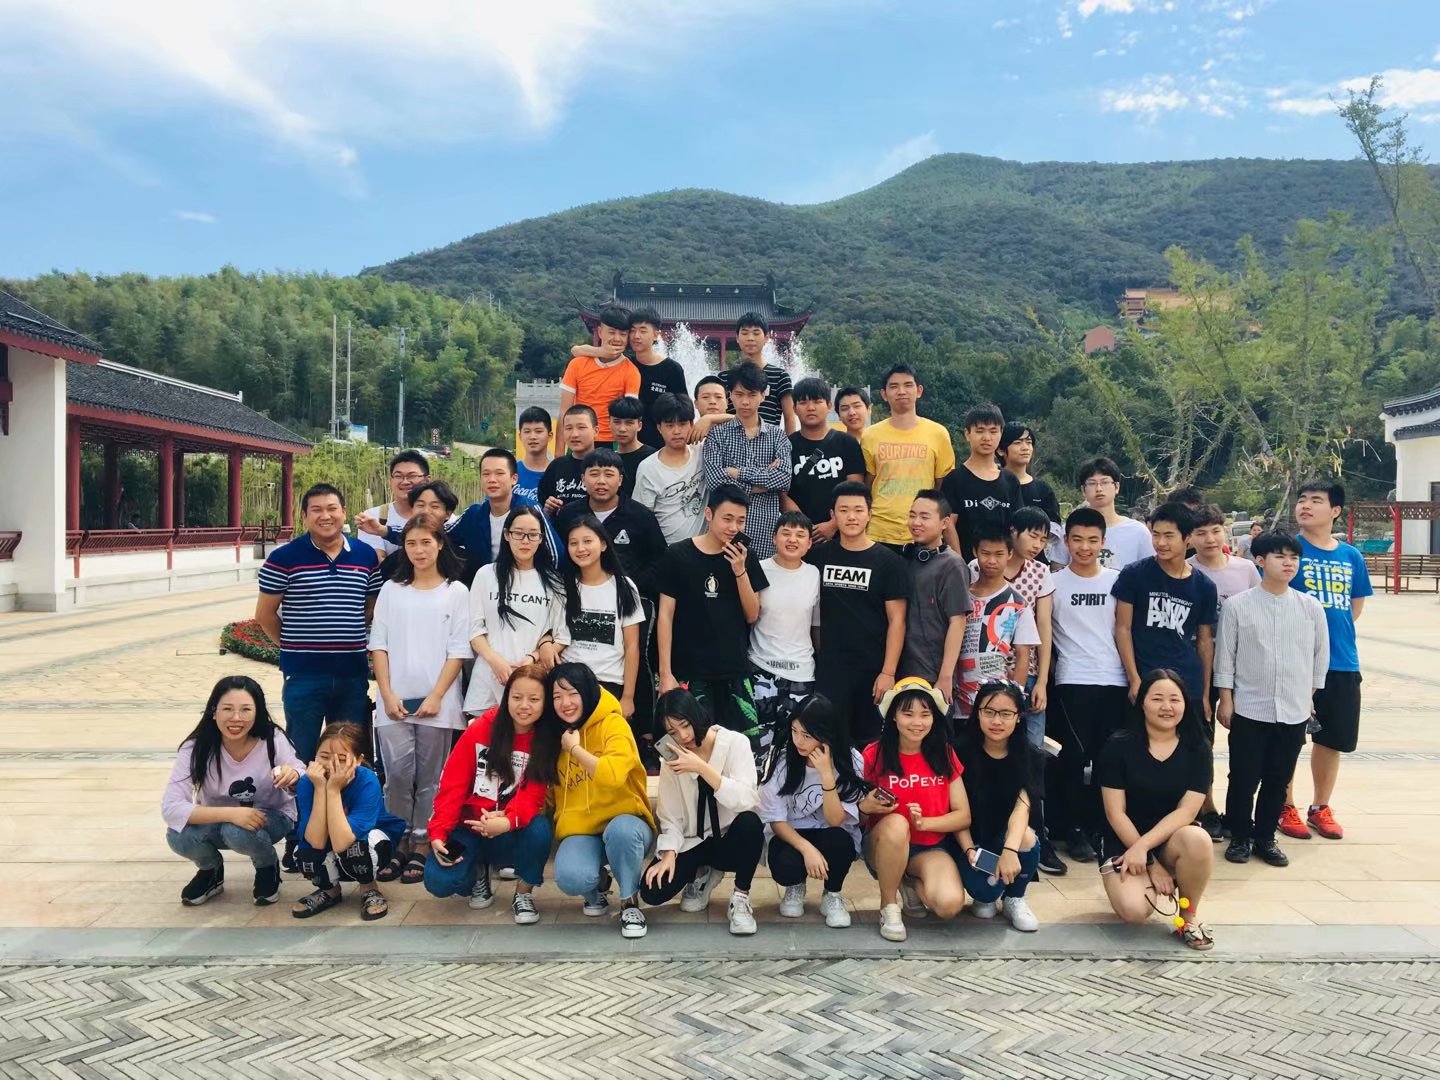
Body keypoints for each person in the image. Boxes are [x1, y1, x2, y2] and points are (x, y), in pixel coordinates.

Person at [1215, 530, 1329, 868]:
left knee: (1279, 779)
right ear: (1261, 561)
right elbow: (1225, 658)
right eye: (1280, 556)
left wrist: (1308, 696)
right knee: (1243, 777)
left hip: (1293, 710)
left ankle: (1265, 837)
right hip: (1250, 708)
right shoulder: (1238, 606)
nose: (1288, 563)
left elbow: (1319, 657)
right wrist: (1226, 699)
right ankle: (1240, 836)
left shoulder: (1310, 607)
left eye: (1293, 557)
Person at [368, 516, 472, 885]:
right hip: (394, 701)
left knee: (431, 778)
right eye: (411, 543)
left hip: (438, 702)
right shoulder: (392, 590)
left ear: (440, 544)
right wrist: (386, 693)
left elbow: (458, 650)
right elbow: (378, 643)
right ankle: (399, 839)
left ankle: (424, 841)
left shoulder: (456, 592)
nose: (419, 550)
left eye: (426, 542)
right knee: (397, 775)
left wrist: (437, 695)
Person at [255, 483, 380, 764]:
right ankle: (302, 795)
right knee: (301, 753)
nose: (325, 516)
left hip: (352, 674)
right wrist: (293, 647)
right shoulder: (284, 558)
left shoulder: (365, 555)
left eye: (332, 508)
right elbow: (265, 615)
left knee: (349, 753)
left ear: (343, 511)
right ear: (304, 516)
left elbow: (371, 606)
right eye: (316, 510)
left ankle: (344, 796)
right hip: (304, 676)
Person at [1280, 479, 1373, 842]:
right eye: (1302, 499)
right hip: (1293, 661)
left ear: (1335, 511)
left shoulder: (1351, 556)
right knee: (1288, 736)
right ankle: (1284, 804)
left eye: (1316, 500)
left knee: (1332, 739)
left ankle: (1320, 806)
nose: (1305, 505)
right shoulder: (1288, 550)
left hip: (1342, 661)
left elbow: (1354, 607)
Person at [425, 665, 556, 923]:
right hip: (469, 827)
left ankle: (523, 893)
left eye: (534, 699)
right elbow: (452, 784)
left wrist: (507, 820)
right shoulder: (481, 728)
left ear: (545, 702)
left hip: (509, 829)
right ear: (506, 697)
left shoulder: (546, 738)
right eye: (516, 697)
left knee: (540, 830)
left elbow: (533, 795)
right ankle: (477, 872)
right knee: (438, 881)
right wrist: (439, 831)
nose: (524, 706)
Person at [1097, 670, 1215, 951]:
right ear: (1142, 703)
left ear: (1185, 703)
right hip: (1124, 839)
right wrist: (1150, 862)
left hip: (1172, 839)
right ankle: (1144, 877)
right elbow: (1115, 813)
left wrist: (1147, 850)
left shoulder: (1198, 747)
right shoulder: (1118, 745)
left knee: (1198, 839)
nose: (1166, 707)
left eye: (1175, 699)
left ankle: (1188, 918)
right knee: (1134, 911)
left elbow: (1187, 812)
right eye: (1157, 698)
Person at [161, 676, 302, 907]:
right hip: (220, 821)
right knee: (178, 835)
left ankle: (267, 866)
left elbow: (301, 772)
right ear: (213, 711)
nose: (236, 718)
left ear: (257, 712)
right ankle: (210, 871)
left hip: (271, 818)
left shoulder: (272, 738)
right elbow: (171, 807)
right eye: (227, 709)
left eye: (246, 709)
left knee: (237, 832)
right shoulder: (196, 747)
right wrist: (232, 814)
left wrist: (293, 775)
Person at [542, 663, 657, 938]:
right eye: (557, 696)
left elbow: (613, 776)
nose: (565, 703)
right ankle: (598, 886)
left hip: (626, 823)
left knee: (622, 832)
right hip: (582, 829)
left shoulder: (613, 723)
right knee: (571, 877)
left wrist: (575, 750)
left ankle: (629, 901)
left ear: (587, 691)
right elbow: (548, 793)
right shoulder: (553, 732)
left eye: (572, 693)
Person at [640, 690, 764, 934]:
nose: (683, 736)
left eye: (685, 725)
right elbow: (670, 815)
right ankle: (702, 874)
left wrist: (702, 769)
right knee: (651, 891)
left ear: (696, 716)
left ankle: (740, 897)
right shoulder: (672, 758)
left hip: (728, 838)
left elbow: (747, 799)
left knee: (750, 824)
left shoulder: (735, 743)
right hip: (693, 841)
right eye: (673, 732)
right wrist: (669, 854)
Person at [656, 486, 769, 755]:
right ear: (709, 514)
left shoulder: (745, 556)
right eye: (727, 519)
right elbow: (665, 616)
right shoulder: (678, 554)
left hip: (734, 670)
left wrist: (740, 570)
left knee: (739, 754)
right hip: (689, 672)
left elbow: (752, 614)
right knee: (686, 753)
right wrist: (666, 674)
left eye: (740, 520)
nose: (734, 527)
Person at [1046, 508, 1131, 868]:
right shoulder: (1053, 583)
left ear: (1103, 542)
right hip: (1073, 681)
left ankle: (1102, 828)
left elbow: (1124, 630)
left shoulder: (1118, 581)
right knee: (1074, 758)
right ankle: (1074, 829)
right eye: (1077, 539)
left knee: (1108, 760)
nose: (1084, 547)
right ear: (1066, 541)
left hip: (1115, 680)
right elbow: (1045, 637)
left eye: (1092, 540)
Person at [860, 678, 972, 942]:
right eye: (908, 714)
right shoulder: (873, 754)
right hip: (883, 843)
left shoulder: (944, 754)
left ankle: (907, 881)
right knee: (897, 824)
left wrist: (925, 823)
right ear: (894, 716)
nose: (917, 722)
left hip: (929, 847)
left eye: (925, 714)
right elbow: (854, 818)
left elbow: (963, 815)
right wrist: (865, 807)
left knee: (949, 905)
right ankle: (888, 905)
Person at [807, 481, 908, 746]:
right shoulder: (818, 557)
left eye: (858, 510)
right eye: (844, 510)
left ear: (869, 514)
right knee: (829, 741)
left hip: (872, 670)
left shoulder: (889, 562)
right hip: (830, 669)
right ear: (833, 515)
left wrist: (888, 672)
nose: (851, 517)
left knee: (870, 744)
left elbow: (897, 620)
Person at [760, 695, 866, 928]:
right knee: (785, 864)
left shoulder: (852, 760)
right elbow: (776, 820)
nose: (798, 740)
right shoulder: (781, 760)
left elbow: (836, 820)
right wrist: (807, 849)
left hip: (830, 831)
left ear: (827, 734)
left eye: (807, 735)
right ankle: (795, 885)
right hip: (792, 832)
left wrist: (826, 774)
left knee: (840, 843)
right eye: (795, 731)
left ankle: (832, 893)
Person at [292, 723, 407, 921]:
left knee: (356, 848)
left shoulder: (367, 780)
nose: (331, 765)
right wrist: (320, 788)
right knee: (305, 852)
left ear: (358, 760)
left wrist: (333, 790)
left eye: (342, 759)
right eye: (324, 756)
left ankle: (369, 887)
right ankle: (329, 890)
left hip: (364, 841)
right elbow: (316, 841)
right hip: (329, 839)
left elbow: (342, 842)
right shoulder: (308, 782)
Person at [954, 681, 1043, 931]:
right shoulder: (959, 751)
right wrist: (969, 848)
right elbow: (954, 809)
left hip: (1006, 839)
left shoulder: (1030, 755)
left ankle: (1015, 897)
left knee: (1027, 837)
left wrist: (1010, 850)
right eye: (989, 712)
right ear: (977, 713)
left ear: (1018, 717)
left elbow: (1022, 808)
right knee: (984, 895)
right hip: (968, 842)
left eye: (1006, 714)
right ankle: (990, 893)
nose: (997, 721)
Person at [464, 504, 565, 715]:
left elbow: (561, 636)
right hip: (487, 679)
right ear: (506, 535)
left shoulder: (554, 582)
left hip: (532, 681)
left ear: (541, 538)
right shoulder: (486, 575)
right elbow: (474, 630)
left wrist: (532, 659)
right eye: (518, 533)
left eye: (533, 535)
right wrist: (495, 661)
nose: (525, 541)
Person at [552, 513, 644, 722]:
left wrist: (628, 697)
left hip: (609, 683)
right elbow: (554, 633)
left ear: (603, 544)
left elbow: (632, 647)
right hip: (569, 684)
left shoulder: (624, 587)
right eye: (573, 543)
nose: (580, 548)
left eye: (587, 541)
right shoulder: (562, 587)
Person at [748, 511, 822, 762]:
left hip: (801, 672)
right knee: (758, 747)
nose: (792, 540)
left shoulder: (814, 574)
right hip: (761, 668)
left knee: (795, 747)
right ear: (773, 538)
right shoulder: (758, 569)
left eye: (800, 535)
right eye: (786, 533)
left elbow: (816, 626)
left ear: (809, 543)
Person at [702, 362, 791, 559]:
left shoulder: (777, 436)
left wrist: (737, 473)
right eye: (739, 394)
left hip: (765, 530)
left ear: (763, 395)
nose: (745, 402)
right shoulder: (717, 435)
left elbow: (784, 479)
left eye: (752, 395)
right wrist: (763, 484)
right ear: (730, 395)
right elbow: (716, 482)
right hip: (726, 532)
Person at [860, 364, 956, 550]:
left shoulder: (938, 433)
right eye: (894, 386)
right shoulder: (870, 435)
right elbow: (868, 484)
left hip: (922, 533)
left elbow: (942, 486)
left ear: (919, 391)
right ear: (884, 394)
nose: (901, 391)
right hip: (879, 532)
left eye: (908, 385)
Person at [555, 448, 667, 601]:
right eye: (594, 474)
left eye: (609, 475)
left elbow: (659, 560)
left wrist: (630, 585)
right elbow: (559, 556)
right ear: (583, 479)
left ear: (620, 480)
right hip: (578, 596)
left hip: (628, 598)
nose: (601, 481)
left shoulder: (640, 516)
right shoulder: (568, 514)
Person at [955, 521, 1040, 719]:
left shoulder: (1018, 603)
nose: (991, 560)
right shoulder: (960, 596)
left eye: (999, 554)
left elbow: (1023, 655)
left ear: (1010, 554)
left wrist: (1015, 699)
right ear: (975, 552)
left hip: (995, 704)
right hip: (956, 698)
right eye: (985, 553)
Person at [898, 489, 970, 705]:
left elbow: (958, 621)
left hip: (933, 674)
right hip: (902, 670)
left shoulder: (952, 565)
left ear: (944, 523)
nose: (916, 522)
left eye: (925, 517)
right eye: (912, 515)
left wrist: (946, 676)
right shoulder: (905, 559)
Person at [786, 376, 864, 543]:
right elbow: (781, 493)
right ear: (794, 408)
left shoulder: (847, 443)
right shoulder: (786, 445)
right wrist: (804, 526)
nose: (810, 408)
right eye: (803, 402)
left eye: (817, 401)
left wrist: (834, 524)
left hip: (842, 535)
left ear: (829, 405)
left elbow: (856, 489)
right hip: (800, 536)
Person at [942, 404, 1021, 561]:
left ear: (1001, 433)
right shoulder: (954, 479)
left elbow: (1017, 526)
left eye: (993, 431)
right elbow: (948, 525)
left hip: (1002, 566)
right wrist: (959, 564)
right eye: (980, 431)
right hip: (965, 564)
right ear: (967, 434)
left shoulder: (1010, 480)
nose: (987, 437)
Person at [633, 392, 707, 545]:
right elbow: (640, 517)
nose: (677, 431)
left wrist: (709, 419)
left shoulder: (703, 451)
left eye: (682, 424)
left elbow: (743, 422)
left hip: (703, 549)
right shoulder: (648, 468)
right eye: (670, 425)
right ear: (659, 427)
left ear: (692, 424)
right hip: (667, 550)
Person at [562, 304, 640, 445]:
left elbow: (629, 416)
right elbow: (564, 411)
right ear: (600, 332)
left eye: (623, 334)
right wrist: (559, 452)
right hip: (580, 439)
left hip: (613, 441)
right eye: (611, 332)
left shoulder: (631, 371)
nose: (617, 338)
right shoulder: (577, 364)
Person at [717, 311, 796, 433]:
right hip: (731, 442)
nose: (750, 338)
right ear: (737, 338)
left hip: (769, 442)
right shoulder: (724, 377)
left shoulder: (780, 377)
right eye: (745, 333)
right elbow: (717, 413)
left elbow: (790, 418)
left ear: (766, 338)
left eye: (756, 333)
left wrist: (788, 444)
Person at [625, 307, 688, 448]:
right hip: (628, 444)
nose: (636, 336)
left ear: (656, 335)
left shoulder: (672, 369)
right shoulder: (625, 364)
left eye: (643, 331)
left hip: (660, 445)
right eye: (632, 330)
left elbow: (683, 409)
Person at [1076, 458, 1154, 571]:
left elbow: (1150, 572)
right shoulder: (1071, 531)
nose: (1099, 489)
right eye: (1092, 483)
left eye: (1105, 482)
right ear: (1083, 490)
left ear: (1116, 487)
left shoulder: (1138, 532)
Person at [1188, 504, 1260, 613]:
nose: (1210, 539)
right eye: (1201, 533)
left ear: (1224, 532)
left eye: (1216, 531)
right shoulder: (1182, 571)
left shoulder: (1247, 567)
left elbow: (1260, 606)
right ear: (1189, 537)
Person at [357, 450, 429, 557]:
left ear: (427, 480)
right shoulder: (372, 518)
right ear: (390, 481)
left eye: (412, 476)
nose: (405, 482)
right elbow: (378, 560)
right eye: (398, 476)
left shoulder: (441, 516)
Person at [539, 405, 599, 516]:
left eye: (581, 427)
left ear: (595, 431)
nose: (574, 434)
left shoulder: (606, 465)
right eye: (568, 428)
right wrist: (548, 507)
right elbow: (543, 501)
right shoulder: (556, 466)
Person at [608, 395, 656, 499]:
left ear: (639, 425)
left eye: (629, 423)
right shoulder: (608, 459)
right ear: (609, 423)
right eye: (617, 422)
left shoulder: (652, 457)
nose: (622, 429)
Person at [515, 406, 554, 505]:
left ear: (550, 436)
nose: (532, 437)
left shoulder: (558, 473)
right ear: (520, 436)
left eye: (538, 431)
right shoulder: (510, 471)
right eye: (527, 431)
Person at [689, 374, 732, 442]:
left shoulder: (740, 431)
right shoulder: (688, 434)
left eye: (718, 397)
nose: (712, 402)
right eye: (705, 397)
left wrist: (710, 418)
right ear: (696, 403)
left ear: (727, 403)